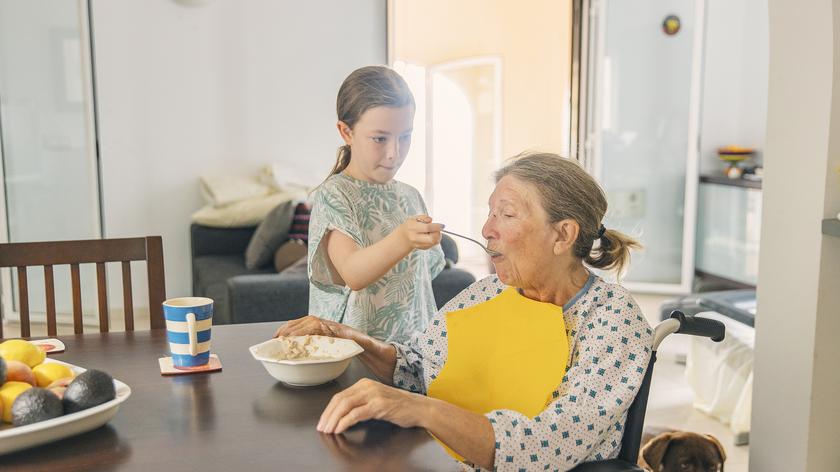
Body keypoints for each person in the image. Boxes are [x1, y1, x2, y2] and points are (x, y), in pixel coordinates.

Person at [280, 152, 653, 471]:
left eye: (506, 215)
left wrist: (422, 410)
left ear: (563, 235)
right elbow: (416, 368)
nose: (487, 229)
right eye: (490, 213)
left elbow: (544, 447)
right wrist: (349, 338)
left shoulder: (612, 319)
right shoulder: (486, 292)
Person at [307, 65, 445, 343]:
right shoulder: (334, 194)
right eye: (380, 138)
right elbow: (353, 273)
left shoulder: (411, 196)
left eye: (405, 136)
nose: (394, 152)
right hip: (354, 356)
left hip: (412, 354)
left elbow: (421, 284)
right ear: (346, 132)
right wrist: (404, 238)